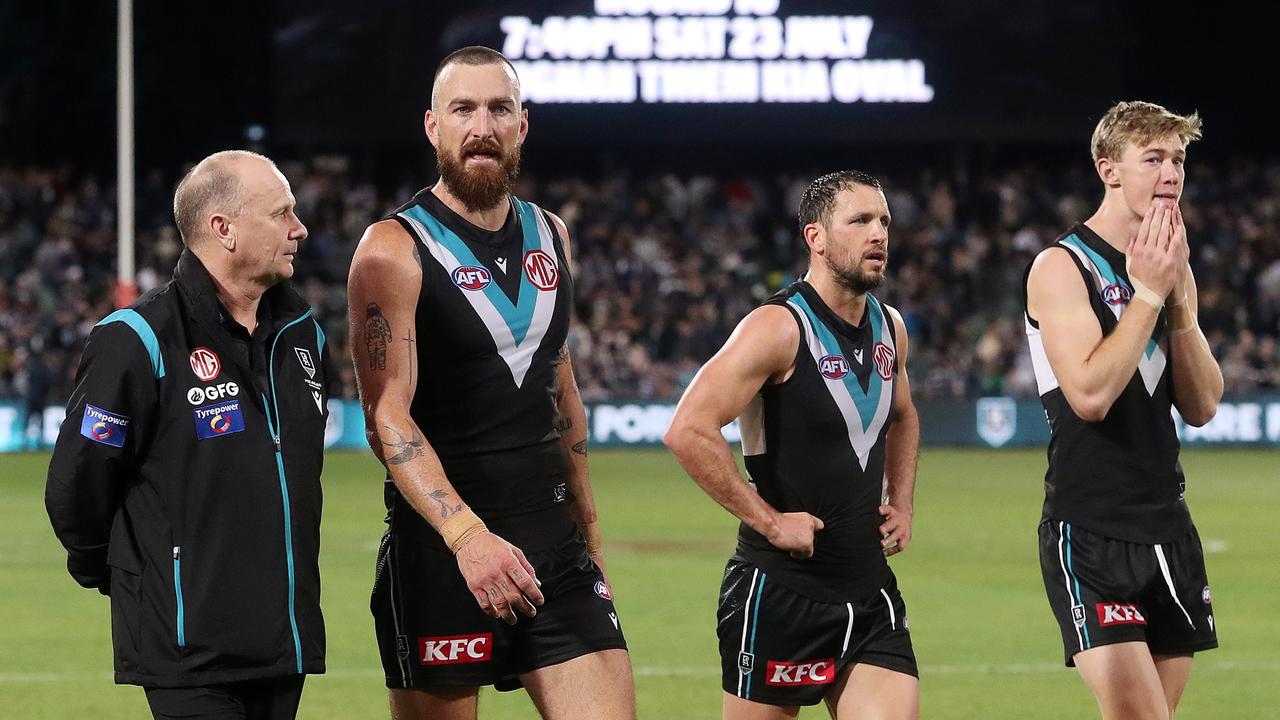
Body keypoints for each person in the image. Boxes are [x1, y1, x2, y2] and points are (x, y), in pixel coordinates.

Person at [348, 46, 634, 719]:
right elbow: (385, 416)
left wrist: (591, 539)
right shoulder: (393, 249)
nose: (482, 125)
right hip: (443, 555)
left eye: (499, 109)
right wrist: (468, 538)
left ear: (522, 125)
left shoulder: (552, 237)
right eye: (464, 109)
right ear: (433, 127)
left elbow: (562, 393)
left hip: (555, 553)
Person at [45, 150, 327, 720]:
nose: (299, 229)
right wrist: (137, 574)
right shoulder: (137, 339)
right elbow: (77, 486)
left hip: (282, 645)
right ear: (222, 229)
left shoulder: (303, 336)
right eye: (281, 214)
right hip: (187, 650)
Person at [665, 170, 920, 719]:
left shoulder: (890, 327)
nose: (878, 234)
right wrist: (772, 523)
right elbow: (688, 429)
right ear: (816, 238)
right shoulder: (777, 328)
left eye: (884, 222)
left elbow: (904, 415)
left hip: (868, 589)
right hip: (779, 593)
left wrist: (902, 500)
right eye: (860, 221)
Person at [1023, 101, 1223, 720]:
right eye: (1154, 159)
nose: (1171, 174)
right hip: (1091, 531)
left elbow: (1203, 404)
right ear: (1109, 170)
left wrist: (1179, 301)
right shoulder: (1061, 267)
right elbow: (1088, 395)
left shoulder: (1169, 265)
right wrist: (1150, 293)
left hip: (1169, 530)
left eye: (1179, 160)